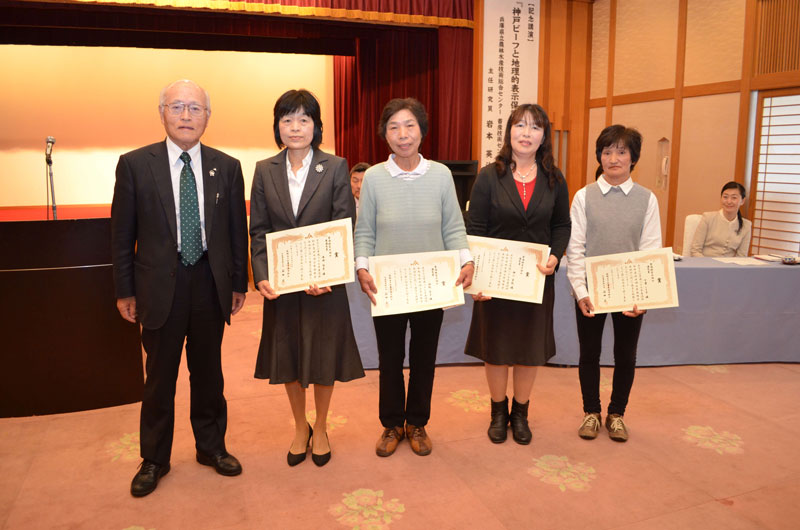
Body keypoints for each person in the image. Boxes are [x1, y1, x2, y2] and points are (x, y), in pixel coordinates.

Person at [111, 79, 248, 497]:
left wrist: (238, 283)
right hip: (158, 288)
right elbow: (121, 234)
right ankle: (154, 458)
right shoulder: (135, 164)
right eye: (178, 107)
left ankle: (211, 447)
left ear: (208, 116)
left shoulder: (226, 165)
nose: (186, 115)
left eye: (195, 108)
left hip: (209, 282)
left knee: (209, 374)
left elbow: (234, 232)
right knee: (160, 378)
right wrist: (124, 290)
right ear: (162, 113)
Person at [249, 89, 364, 468]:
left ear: (316, 126)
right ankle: (301, 427)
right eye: (287, 119)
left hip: (324, 284)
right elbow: (259, 229)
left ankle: (324, 425)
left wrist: (332, 274)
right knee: (290, 356)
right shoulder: (265, 169)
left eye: (303, 119)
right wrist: (262, 275)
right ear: (277, 127)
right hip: (283, 286)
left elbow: (343, 224)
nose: (295, 127)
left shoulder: (333, 167)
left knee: (323, 356)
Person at [354, 97, 474, 457]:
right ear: (384, 135)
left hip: (431, 286)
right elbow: (365, 230)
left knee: (424, 357)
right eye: (393, 127)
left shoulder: (440, 175)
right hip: (387, 286)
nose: (402, 134)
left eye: (409, 125)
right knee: (389, 358)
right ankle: (391, 424)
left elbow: (453, 226)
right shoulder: (374, 177)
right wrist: (361, 265)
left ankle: (418, 422)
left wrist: (466, 260)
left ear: (422, 130)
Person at [464, 104, 571, 445]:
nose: (526, 133)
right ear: (509, 131)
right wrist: (477, 279)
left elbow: (561, 225)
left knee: (528, 349)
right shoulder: (488, 176)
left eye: (535, 127)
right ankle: (498, 412)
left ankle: (520, 414)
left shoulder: (555, 179)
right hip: (495, 281)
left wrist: (555, 256)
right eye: (520, 125)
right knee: (495, 348)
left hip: (538, 279)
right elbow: (475, 226)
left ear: (544, 136)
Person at [566, 124, 662, 443]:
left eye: (621, 151)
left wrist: (644, 297)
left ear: (633, 157)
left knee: (626, 356)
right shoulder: (584, 196)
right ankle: (591, 412)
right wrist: (580, 292)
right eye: (607, 151)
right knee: (589, 354)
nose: (613, 158)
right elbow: (575, 247)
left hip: (630, 292)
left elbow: (650, 249)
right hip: (591, 293)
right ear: (599, 156)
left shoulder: (647, 199)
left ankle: (617, 414)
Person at [690, 181, 751, 257]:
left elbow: (741, 256)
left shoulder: (746, 225)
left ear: (742, 201)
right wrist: (707, 266)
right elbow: (695, 250)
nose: (729, 201)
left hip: (729, 267)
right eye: (725, 197)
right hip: (705, 264)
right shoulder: (708, 218)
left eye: (734, 198)